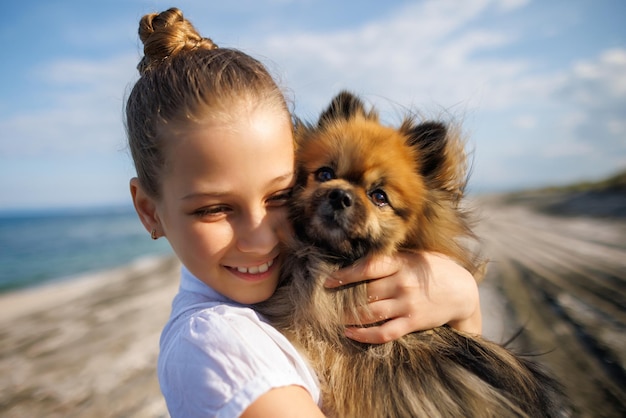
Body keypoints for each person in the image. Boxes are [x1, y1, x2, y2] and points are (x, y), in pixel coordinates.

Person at [126, 7, 481, 418]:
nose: (259, 236)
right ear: (149, 211)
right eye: (214, 209)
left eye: (278, 195)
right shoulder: (217, 347)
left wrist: (466, 306)